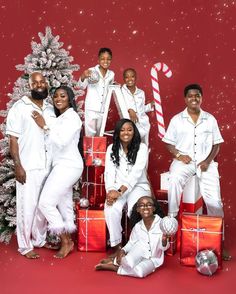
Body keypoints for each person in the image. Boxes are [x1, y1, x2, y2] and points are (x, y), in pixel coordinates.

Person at [162, 83, 230, 260]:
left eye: (197, 95)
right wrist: (178, 154)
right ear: (185, 99)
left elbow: (217, 143)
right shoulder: (177, 119)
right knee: (174, 179)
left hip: (205, 163)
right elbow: (168, 142)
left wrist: (207, 161)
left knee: (215, 202)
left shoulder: (210, 119)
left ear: (201, 98)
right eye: (191, 96)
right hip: (184, 161)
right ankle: (172, 218)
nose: (194, 98)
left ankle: (219, 242)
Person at [6, 72, 56, 258]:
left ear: (47, 84)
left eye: (42, 81)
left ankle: (40, 239)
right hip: (28, 165)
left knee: (43, 206)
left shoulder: (51, 109)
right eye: (35, 82)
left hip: (48, 166)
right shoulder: (19, 108)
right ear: (30, 86)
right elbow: (13, 140)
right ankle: (25, 246)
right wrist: (18, 165)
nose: (39, 85)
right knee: (26, 208)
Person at [32, 86, 84, 258]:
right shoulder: (61, 118)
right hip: (61, 165)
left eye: (62, 96)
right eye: (55, 96)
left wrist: (44, 126)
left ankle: (65, 240)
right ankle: (68, 238)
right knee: (63, 203)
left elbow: (61, 141)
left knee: (45, 203)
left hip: (69, 166)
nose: (58, 99)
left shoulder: (73, 117)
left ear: (69, 98)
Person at [103, 118, 151, 258]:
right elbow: (109, 173)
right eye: (122, 130)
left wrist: (119, 191)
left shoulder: (141, 148)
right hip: (117, 189)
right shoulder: (111, 149)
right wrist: (110, 192)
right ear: (117, 133)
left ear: (134, 132)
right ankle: (118, 247)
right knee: (111, 209)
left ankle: (139, 246)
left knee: (134, 210)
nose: (126, 133)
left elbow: (136, 173)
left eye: (129, 130)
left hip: (138, 186)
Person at [95, 196, 169, 278]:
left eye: (149, 205)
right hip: (138, 251)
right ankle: (115, 261)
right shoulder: (137, 226)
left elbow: (164, 248)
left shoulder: (162, 224)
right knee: (127, 262)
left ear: (154, 208)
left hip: (152, 259)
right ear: (138, 210)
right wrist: (122, 250)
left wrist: (164, 241)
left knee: (140, 272)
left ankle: (115, 267)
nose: (145, 208)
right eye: (141, 205)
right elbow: (131, 243)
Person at [78, 47, 115, 136]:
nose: (105, 61)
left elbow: (109, 89)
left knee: (100, 135)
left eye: (108, 59)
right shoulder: (91, 71)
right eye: (102, 58)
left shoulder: (111, 74)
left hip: (103, 110)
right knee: (90, 134)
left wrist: (115, 85)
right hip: (91, 109)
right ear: (98, 60)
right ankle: (89, 150)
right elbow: (81, 86)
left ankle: (98, 150)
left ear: (111, 60)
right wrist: (83, 76)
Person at [121, 68, 154, 146]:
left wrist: (151, 105)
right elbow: (120, 107)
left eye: (132, 76)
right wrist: (130, 110)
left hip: (144, 123)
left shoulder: (141, 92)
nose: (130, 79)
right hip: (130, 125)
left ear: (135, 78)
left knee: (144, 147)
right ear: (124, 79)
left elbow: (142, 109)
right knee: (132, 147)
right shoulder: (120, 91)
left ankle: (145, 158)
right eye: (127, 77)